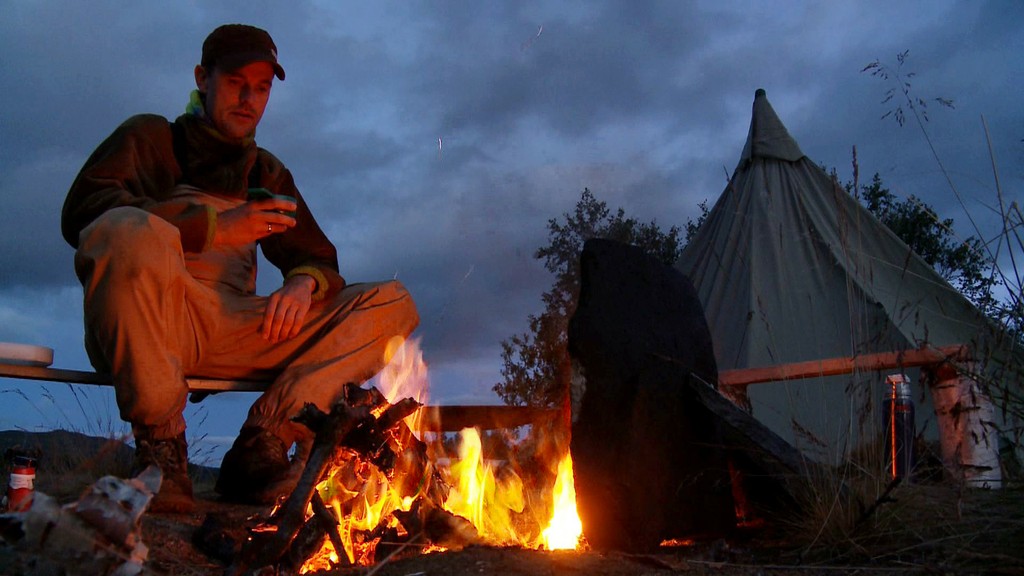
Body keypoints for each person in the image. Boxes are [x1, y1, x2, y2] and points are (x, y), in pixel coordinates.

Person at [61, 24, 419, 513]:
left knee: (392, 303)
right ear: (202, 78)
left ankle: (262, 444)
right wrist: (212, 228)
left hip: (234, 327)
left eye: (263, 87)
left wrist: (301, 282)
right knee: (123, 230)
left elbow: (318, 258)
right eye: (235, 82)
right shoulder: (153, 139)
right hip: (155, 324)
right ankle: (162, 451)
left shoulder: (265, 171)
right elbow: (85, 211)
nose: (249, 98)